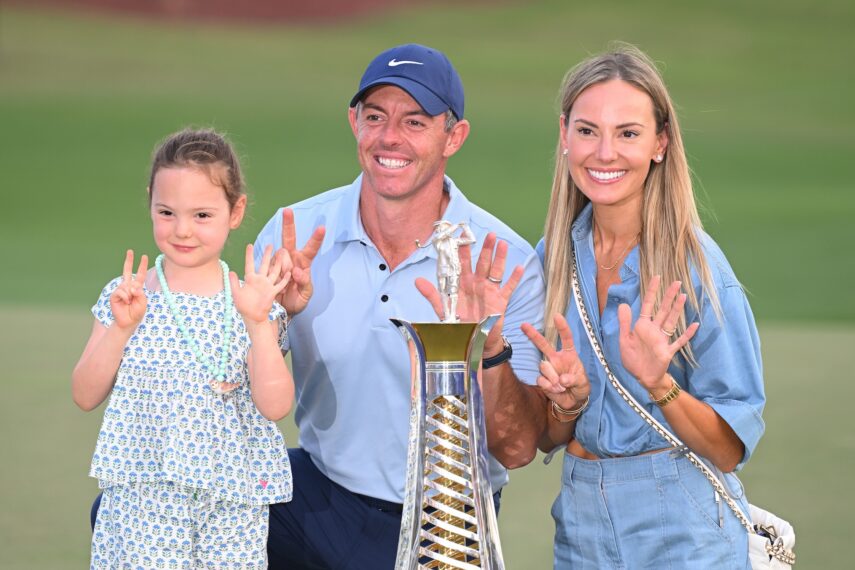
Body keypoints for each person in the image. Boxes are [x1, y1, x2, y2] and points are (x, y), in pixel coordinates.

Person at [252, 43, 547, 568]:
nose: (390, 137)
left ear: (453, 136)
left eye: (415, 121)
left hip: (445, 521)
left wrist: (490, 343)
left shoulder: (504, 262)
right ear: (353, 123)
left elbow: (518, 448)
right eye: (375, 117)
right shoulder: (294, 234)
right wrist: (276, 318)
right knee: (153, 511)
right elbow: (236, 393)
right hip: (320, 495)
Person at [521, 44, 766, 567]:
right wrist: (568, 402)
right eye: (587, 131)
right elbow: (546, 438)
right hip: (580, 521)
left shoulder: (697, 267)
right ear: (565, 135)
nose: (604, 153)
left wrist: (661, 383)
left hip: (682, 524)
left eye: (627, 133)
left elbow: (728, 450)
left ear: (660, 143)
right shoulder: (551, 257)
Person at [74, 129, 296, 568]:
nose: (182, 230)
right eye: (166, 212)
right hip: (146, 489)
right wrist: (120, 330)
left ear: (236, 212)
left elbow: (275, 406)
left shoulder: (251, 301)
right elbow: (84, 394)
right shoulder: (129, 296)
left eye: (201, 215)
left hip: (234, 495)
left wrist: (258, 325)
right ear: (150, 204)